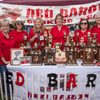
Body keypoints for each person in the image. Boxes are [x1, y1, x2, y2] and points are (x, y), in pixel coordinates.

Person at [0, 19, 15, 96]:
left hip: (12, 61)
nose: (5, 27)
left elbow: (15, 47)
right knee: (5, 78)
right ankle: (7, 93)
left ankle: (12, 91)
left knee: (12, 77)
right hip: (3, 62)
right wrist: (5, 61)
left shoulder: (11, 35)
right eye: (3, 26)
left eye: (6, 26)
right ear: (1, 27)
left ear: (9, 27)